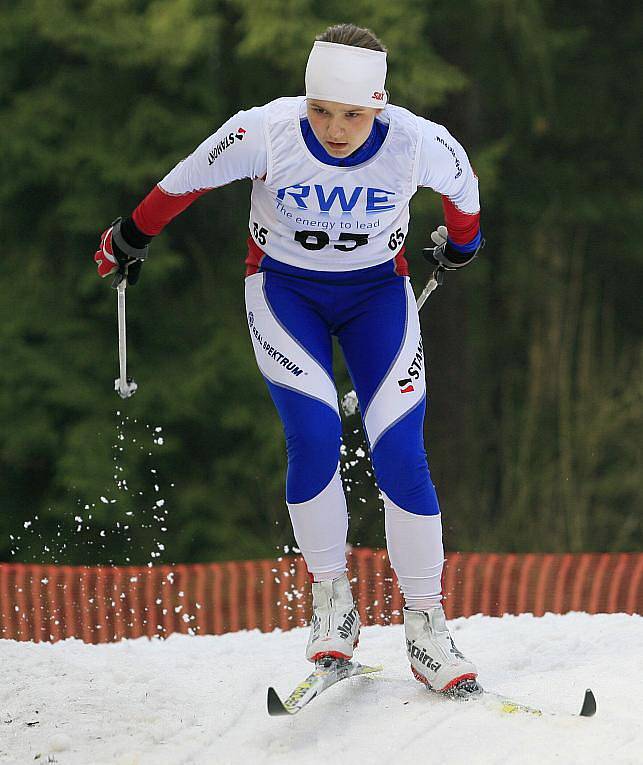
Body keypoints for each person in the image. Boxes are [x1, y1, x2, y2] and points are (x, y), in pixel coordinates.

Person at [94, 23, 484, 694]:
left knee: (399, 451)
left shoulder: (415, 141)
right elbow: (183, 183)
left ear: (380, 102)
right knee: (312, 436)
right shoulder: (264, 130)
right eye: (320, 110)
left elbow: (465, 194)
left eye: (354, 114)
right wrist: (127, 238)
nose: (335, 128)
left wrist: (460, 245)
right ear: (303, 101)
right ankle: (332, 601)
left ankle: (425, 623)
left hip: (376, 298)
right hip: (284, 293)